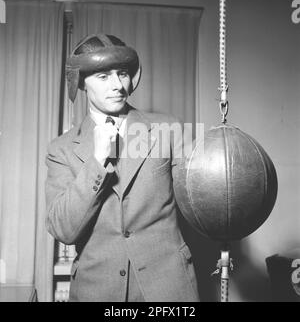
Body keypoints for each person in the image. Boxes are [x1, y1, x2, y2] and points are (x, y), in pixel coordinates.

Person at [45, 33, 200, 302]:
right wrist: (97, 161)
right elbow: (64, 230)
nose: (117, 85)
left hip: (168, 288)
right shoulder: (61, 148)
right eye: (103, 77)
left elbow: (197, 204)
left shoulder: (169, 129)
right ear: (81, 83)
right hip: (97, 290)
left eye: (122, 74)